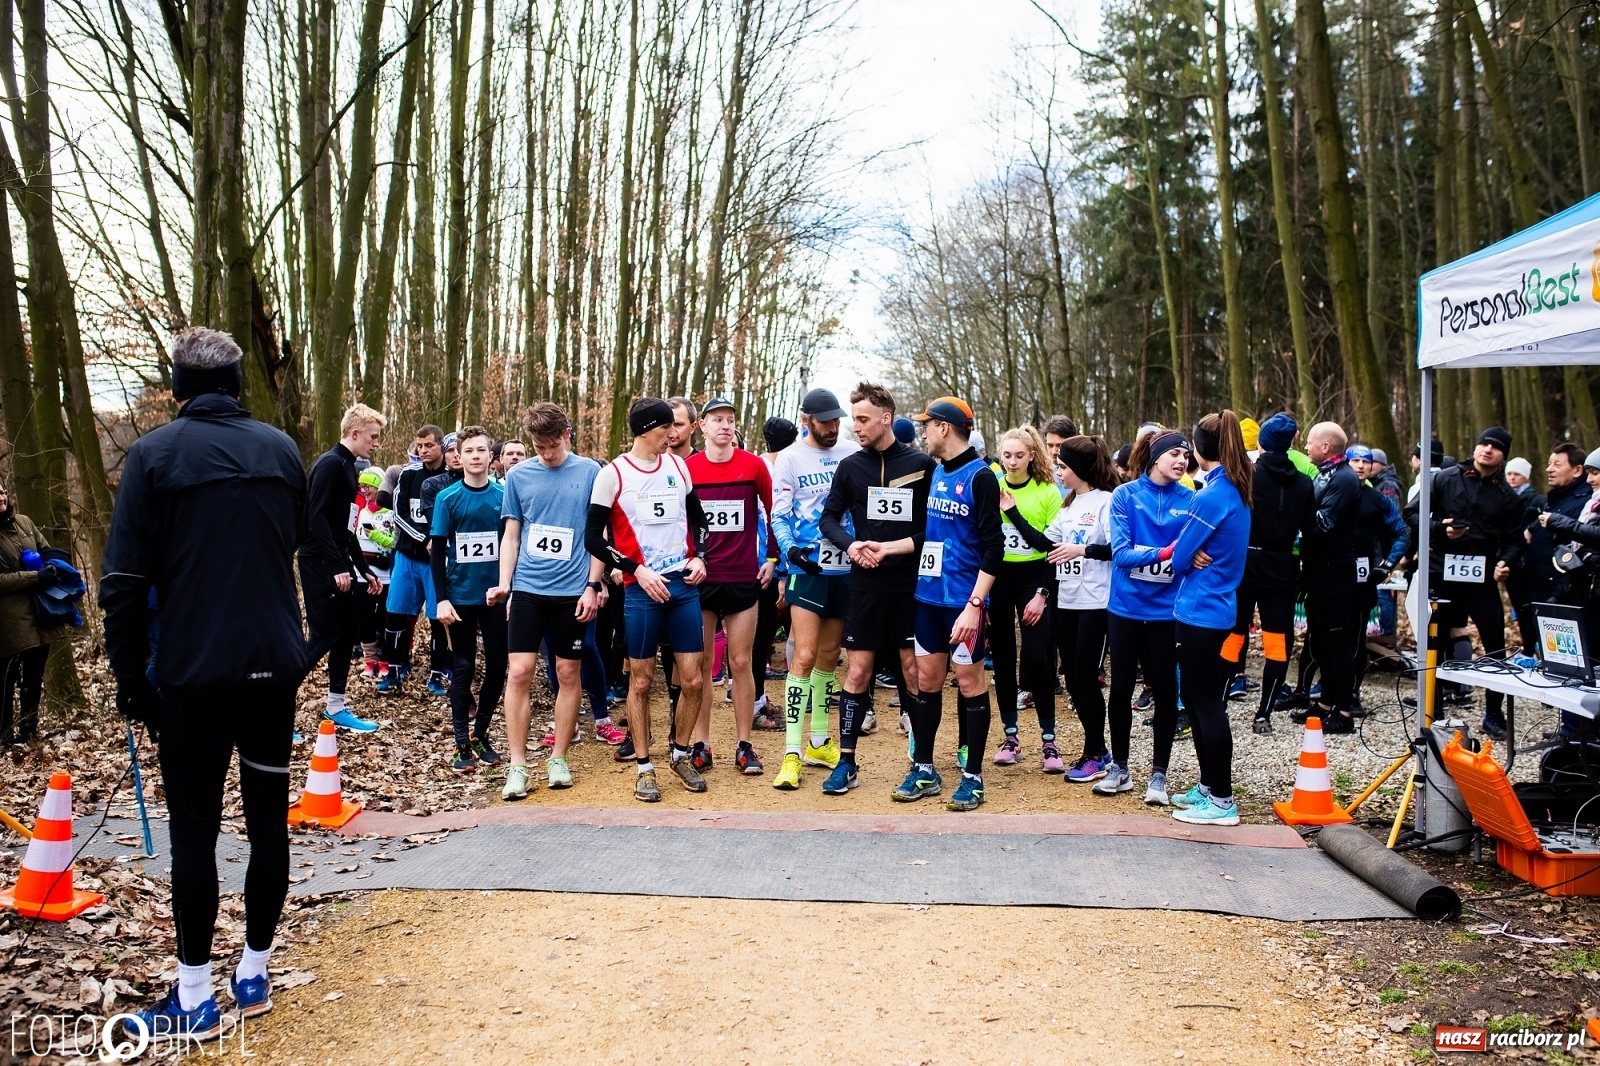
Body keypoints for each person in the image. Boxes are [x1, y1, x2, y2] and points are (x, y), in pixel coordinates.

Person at [102, 327, 307, 1039]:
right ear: (238, 385)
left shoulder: (154, 454)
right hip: (272, 665)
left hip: (193, 671)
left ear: (178, 388)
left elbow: (124, 581)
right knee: (267, 821)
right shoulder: (280, 449)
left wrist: (131, 677)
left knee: (194, 831)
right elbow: (297, 545)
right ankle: (254, 972)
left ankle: (194, 997)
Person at [586, 397, 711, 802]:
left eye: (675, 427)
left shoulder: (678, 467)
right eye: (665, 428)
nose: (673, 434)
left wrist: (700, 556)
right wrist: (635, 570)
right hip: (641, 590)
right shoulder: (612, 474)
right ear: (646, 430)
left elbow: (699, 520)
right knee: (640, 681)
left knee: (693, 678)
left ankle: (680, 753)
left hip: (682, 586)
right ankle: (644, 767)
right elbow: (592, 538)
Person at [818, 382, 935, 794]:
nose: (856, 427)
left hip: (910, 583)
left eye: (864, 419)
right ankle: (846, 762)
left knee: (913, 671)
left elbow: (934, 528)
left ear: (886, 418)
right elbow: (828, 519)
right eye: (855, 419)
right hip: (866, 581)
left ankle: (921, 761)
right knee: (858, 670)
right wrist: (852, 546)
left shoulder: (922, 464)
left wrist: (896, 548)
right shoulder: (850, 466)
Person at [894, 397, 1004, 811]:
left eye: (927, 425)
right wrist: (889, 548)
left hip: (962, 601)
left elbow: (994, 548)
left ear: (944, 427)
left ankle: (973, 777)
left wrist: (976, 605)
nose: (923, 432)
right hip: (927, 597)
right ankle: (924, 768)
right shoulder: (938, 470)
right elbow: (932, 535)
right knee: (926, 680)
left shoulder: (982, 477)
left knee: (970, 682)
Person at [493, 403, 605, 797]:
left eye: (552, 446)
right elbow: (511, 536)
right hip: (528, 588)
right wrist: (505, 584)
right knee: (519, 672)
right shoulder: (518, 476)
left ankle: (559, 757)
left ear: (566, 435)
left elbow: (597, 535)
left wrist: (594, 585)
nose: (546, 454)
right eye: (539, 448)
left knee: (568, 673)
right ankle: (517, 765)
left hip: (572, 591)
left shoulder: (591, 472)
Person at [1163, 412, 1253, 824]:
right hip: (1215, 607)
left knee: (1205, 705)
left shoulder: (1211, 495)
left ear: (1199, 449)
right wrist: (1191, 550)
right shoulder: (1233, 486)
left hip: (1201, 611)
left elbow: (1179, 560)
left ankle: (1221, 801)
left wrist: (1189, 551)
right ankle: (1207, 787)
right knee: (1201, 703)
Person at [1095, 429, 1193, 798]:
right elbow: (1121, 554)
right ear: (1155, 457)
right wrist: (1167, 552)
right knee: (1120, 687)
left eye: (1186, 455)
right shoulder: (1125, 495)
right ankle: (1120, 768)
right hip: (1126, 608)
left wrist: (1183, 554)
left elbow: (1197, 552)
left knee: (1165, 689)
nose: (1182, 461)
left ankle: (1159, 776)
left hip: (1167, 611)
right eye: (1174, 454)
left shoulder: (1191, 500)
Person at [770, 388, 859, 790]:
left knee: (828, 657)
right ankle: (790, 754)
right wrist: (791, 551)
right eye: (825, 421)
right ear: (806, 420)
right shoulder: (790, 458)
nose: (832, 427)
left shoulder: (851, 452)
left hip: (846, 565)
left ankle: (819, 743)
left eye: (836, 420)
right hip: (807, 566)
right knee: (803, 655)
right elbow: (779, 514)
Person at [1413, 426, 1525, 740]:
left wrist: (1505, 562)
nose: (1487, 449)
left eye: (1495, 447)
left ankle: (1493, 714)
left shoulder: (1508, 496)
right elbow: (1412, 515)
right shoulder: (1444, 479)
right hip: (1441, 572)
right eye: (1483, 443)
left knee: (1495, 644)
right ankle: (1433, 710)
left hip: (1481, 578)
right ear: (1475, 448)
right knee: (1435, 642)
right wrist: (1441, 529)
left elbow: (1515, 540)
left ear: (1504, 456)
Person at [685, 396, 777, 776]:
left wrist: (772, 558)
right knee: (704, 664)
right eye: (717, 419)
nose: (725, 425)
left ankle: (744, 745)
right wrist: (688, 557)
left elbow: (775, 510)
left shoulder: (753, 465)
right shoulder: (688, 469)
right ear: (702, 426)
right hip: (702, 578)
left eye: (730, 419)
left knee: (741, 662)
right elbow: (678, 520)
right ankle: (701, 744)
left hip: (742, 576)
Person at [1226, 413, 1314, 734]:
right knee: (1278, 643)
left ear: (1261, 443)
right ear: (1290, 443)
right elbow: (1311, 533)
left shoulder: (1246, 475)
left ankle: (1219, 703)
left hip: (1244, 566)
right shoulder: (1304, 483)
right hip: (1282, 569)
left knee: (1233, 636)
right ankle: (1264, 712)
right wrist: (1307, 572)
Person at [301, 404, 385, 732]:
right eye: (372, 437)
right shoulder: (330, 464)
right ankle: (276, 707)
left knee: (347, 632)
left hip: (339, 561)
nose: (376, 443)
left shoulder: (349, 467)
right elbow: (317, 516)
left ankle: (335, 706)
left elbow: (346, 527)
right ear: (354, 433)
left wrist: (364, 569)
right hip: (318, 560)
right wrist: (336, 564)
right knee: (324, 635)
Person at [431, 426, 508, 772]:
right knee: (463, 667)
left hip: (495, 596)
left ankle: (480, 734)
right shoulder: (447, 498)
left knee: (498, 665)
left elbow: (513, 544)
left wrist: (510, 588)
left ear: (491, 456)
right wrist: (441, 599)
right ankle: (460, 742)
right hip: (460, 595)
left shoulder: (504, 495)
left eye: (481, 450)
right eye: (469, 451)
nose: (476, 456)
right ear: (458, 458)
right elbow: (437, 552)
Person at [985, 426, 1063, 770]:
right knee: (1002, 659)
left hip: (1034, 579)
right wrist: (980, 596)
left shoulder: (1048, 491)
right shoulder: (990, 484)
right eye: (1007, 455)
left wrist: (1042, 595)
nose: (1012, 462)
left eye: (1019, 455)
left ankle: (1049, 742)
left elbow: (1050, 548)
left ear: (1032, 456)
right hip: (998, 578)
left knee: (1036, 659)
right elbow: (981, 538)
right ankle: (1011, 737)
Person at [1042, 436, 1119, 782]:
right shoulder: (1068, 505)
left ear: (1080, 469)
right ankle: (1098, 750)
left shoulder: (1107, 501)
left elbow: (1118, 549)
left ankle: (1096, 753)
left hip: (1097, 602)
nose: (1058, 473)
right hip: (1068, 601)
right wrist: (1010, 511)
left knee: (1086, 678)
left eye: (1063, 467)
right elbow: (1046, 544)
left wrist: (1081, 550)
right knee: (1072, 678)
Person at [0, 481, 72, 744]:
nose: (0, 497)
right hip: (9, 621)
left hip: (41, 612)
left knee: (34, 676)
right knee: (6, 680)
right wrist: (34, 577)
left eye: (1, 491)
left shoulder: (24, 522)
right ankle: (4, 736)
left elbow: (45, 550)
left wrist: (53, 566)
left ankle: (28, 730)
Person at [378, 425, 448, 694]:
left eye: (429, 445)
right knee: (396, 613)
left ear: (440, 446)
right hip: (408, 555)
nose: (423, 450)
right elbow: (399, 514)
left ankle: (437, 674)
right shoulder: (408, 475)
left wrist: (438, 541)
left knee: (438, 618)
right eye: (420, 446)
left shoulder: (450, 477)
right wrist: (424, 538)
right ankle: (394, 670)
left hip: (437, 561)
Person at [750, 416, 799, 730]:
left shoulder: (756, 464)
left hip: (759, 563)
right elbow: (774, 520)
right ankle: (754, 702)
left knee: (760, 637)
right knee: (760, 637)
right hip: (767, 565)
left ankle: (757, 697)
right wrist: (780, 568)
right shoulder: (778, 469)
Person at [354, 468, 396, 679]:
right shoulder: (360, 512)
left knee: (385, 618)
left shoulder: (391, 512)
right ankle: (370, 661)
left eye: (368, 486)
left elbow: (396, 542)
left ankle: (386, 661)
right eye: (361, 486)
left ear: (379, 487)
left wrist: (377, 536)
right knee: (365, 617)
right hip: (363, 573)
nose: (364, 491)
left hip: (387, 574)